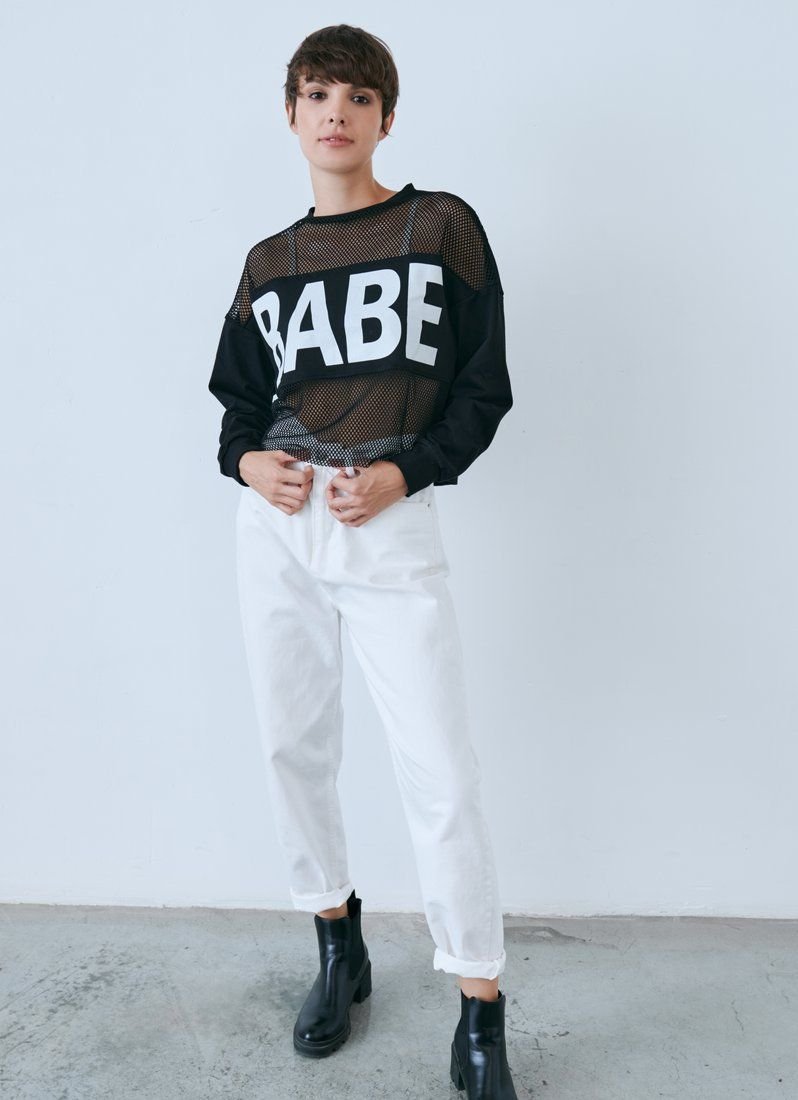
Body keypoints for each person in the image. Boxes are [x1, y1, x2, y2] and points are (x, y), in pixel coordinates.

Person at [208, 23, 518, 1100]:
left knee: (439, 768)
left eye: (356, 95)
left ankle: (480, 1004)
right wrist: (249, 462)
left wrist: (407, 471)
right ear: (291, 113)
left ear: (386, 116)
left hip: (386, 518)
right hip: (279, 526)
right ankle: (337, 943)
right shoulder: (269, 262)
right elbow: (236, 408)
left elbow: (483, 386)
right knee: (292, 745)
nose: (334, 111)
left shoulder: (441, 228)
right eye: (315, 92)